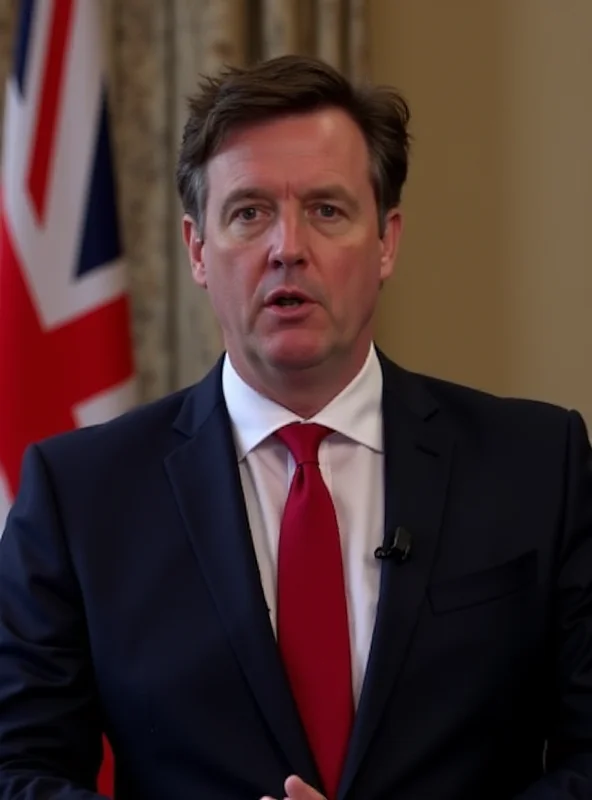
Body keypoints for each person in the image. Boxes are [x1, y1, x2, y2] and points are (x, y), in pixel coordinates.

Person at [0, 54, 591, 800]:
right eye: (248, 212)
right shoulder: (80, 495)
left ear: (387, 242)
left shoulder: (539, 466)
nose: (288, 247)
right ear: (196, 251)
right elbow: (17, 771)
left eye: (326, 209)